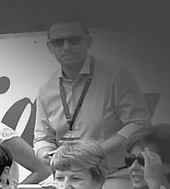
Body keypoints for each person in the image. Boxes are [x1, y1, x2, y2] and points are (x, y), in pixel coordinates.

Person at [32, 18, 150, 170]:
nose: (66, 47)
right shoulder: (46, 88)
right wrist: (46, 154)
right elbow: (42, 138)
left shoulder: (116, 76)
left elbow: (140, 124)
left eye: (73, 40)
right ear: (50, 47)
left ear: (88, 41)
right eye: (58, 42)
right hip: (65, 176)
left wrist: (95, 152)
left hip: (112, 174)